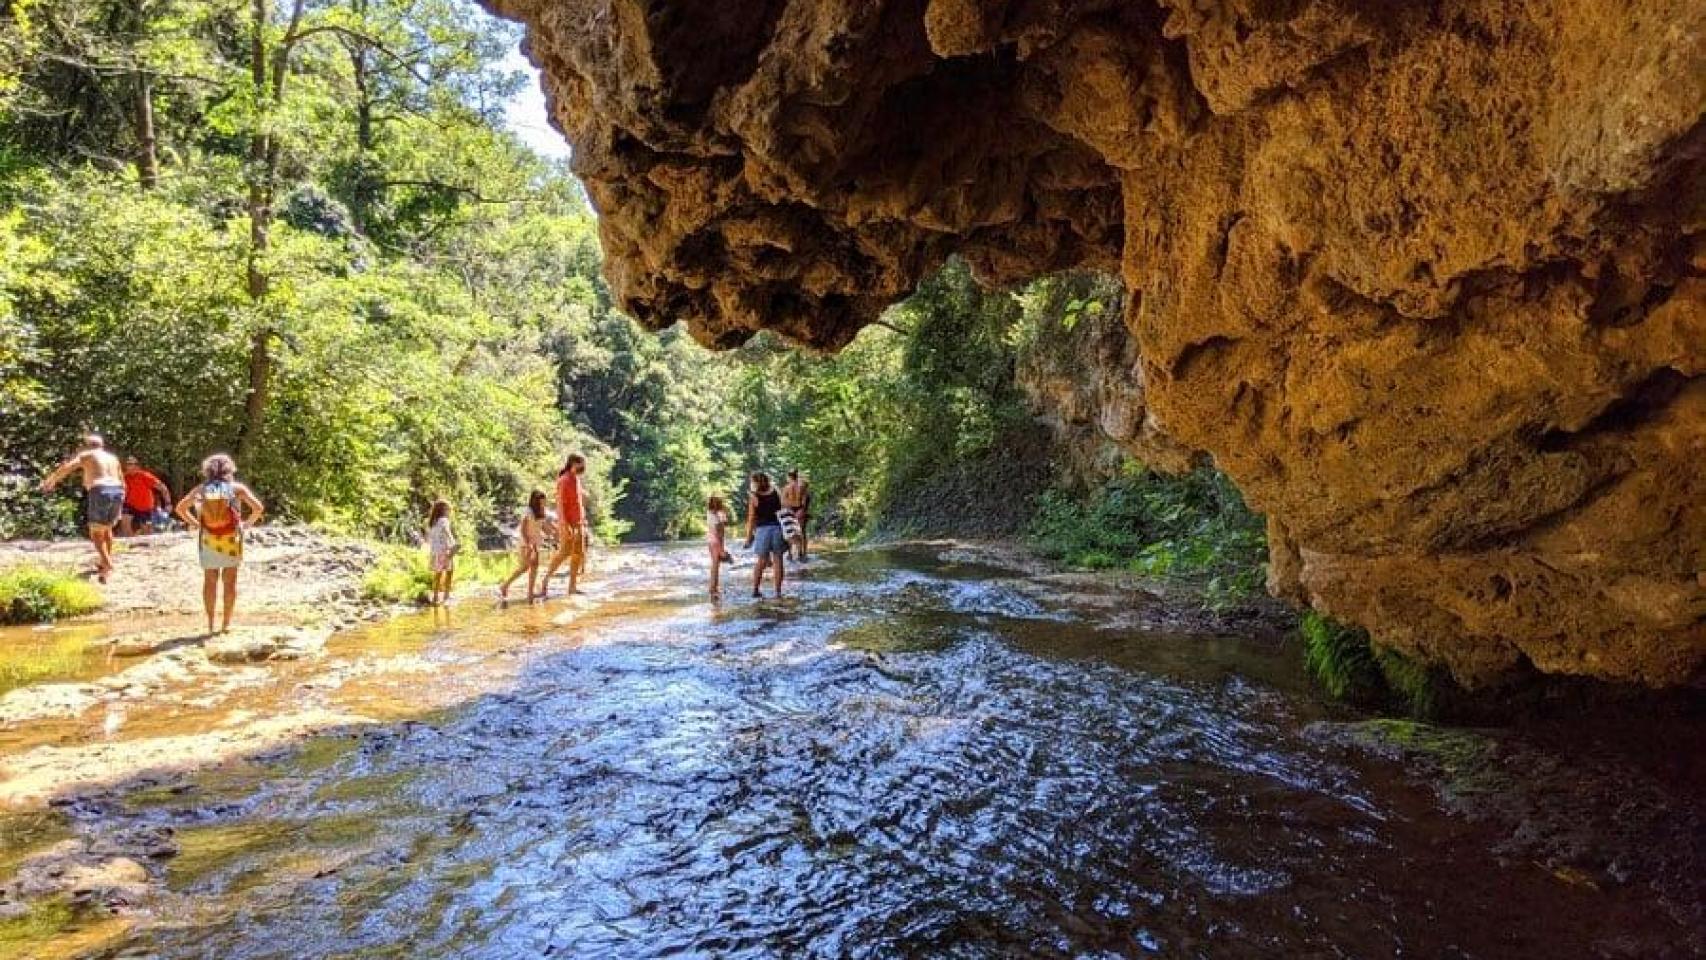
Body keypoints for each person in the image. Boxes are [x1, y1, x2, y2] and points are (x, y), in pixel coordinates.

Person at [173, 454, 264, 634]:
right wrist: (246, 524)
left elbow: (180, 508)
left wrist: (196, 524)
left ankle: (210, 624)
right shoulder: (236, 488)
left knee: (210, 580)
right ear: (230, 470)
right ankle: (226, 624)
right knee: (230, 582)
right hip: (231, 538)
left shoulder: (201, 489)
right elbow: (258, 508)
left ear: (207, 471)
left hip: (208, 538)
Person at [40, 435, 126, 582]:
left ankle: (108, 564)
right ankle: (103, 563)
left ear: (86, 445)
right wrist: (122, 498)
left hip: (100, 490)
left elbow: (67, 467)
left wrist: (51, 480)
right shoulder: (112, 458)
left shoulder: (87, 454)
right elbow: (122, 480)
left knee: (95, 532)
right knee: (106, 529)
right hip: (117, 490)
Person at [540, 453, 588, 598]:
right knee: (564, 552)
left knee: (578, 554)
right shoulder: (564, 480)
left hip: (579, 522)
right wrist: (564, 525)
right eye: (581, 465)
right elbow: (560, 505)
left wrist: (583, 520)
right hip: (567, 523)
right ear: (573, 464)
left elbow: (578, 502)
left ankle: (572, 587)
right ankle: (545, 581)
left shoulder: (576, 480)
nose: (583, 469)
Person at [743, 472, 786, 598]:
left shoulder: (754, 497)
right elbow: (784, 508)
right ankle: (778, 592)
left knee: (761, 561)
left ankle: (755, 590)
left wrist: (748, 537)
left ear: (755, 482)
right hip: (778, 528)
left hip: (762, 531)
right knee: (778, 560)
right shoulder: (776, 491)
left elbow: (751, 518)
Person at [499, 490, 547, 602]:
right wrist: (528, 543)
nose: (544, 503)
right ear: (535, 501)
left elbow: (542, 526)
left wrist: (555, 534)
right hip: (526, 542)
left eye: (544, 501)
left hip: (535, 542)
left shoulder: (541, 510)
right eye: (542, 501)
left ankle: (530, 593)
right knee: (524, 567)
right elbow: (522, 529)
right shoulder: (528, 511)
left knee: (535, 566)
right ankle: (505, 585)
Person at [119, 456, 172, 536]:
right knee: (125, 522)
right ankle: (130, 542)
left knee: (147, 531)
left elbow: (162, 487)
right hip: (130, 504)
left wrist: (168, 503)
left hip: (145, 507)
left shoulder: (144, 476)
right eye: (129, 464)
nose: (131, 466)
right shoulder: (124, 477)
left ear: (137, 466)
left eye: (134, 464)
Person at [426, 499, 459, 605]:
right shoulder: (444, 520)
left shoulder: (432, 522)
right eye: (448, 509)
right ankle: (446, 596)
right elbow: (447, 532)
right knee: (450, 572)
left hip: (435, 551)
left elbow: (430, 537)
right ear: (443, 510)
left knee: (438, 573)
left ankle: (435, 597)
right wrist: (454, 544)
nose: (449, 511)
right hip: (444, 551)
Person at [781, 468, 812, 562]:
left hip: (789, 510)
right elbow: (804, 502)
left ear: (789, 477)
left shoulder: (786, 488)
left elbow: (783, 502)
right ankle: (802, 553)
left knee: (789, 533)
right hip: (800, 510)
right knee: (802, 532)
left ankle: (790, 554)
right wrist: (803, 510)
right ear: (796, 476)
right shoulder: (802, 487)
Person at [706, 494, 733, 597]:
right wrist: (722, 548)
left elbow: (724, 523)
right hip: (716, 541)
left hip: (710, 540)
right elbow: (720, 532)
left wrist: (723, 516)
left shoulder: (710, 513)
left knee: (715, 564)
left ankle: (713, 587)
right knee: (716, 565)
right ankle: (713, 588)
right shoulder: (717, 515)